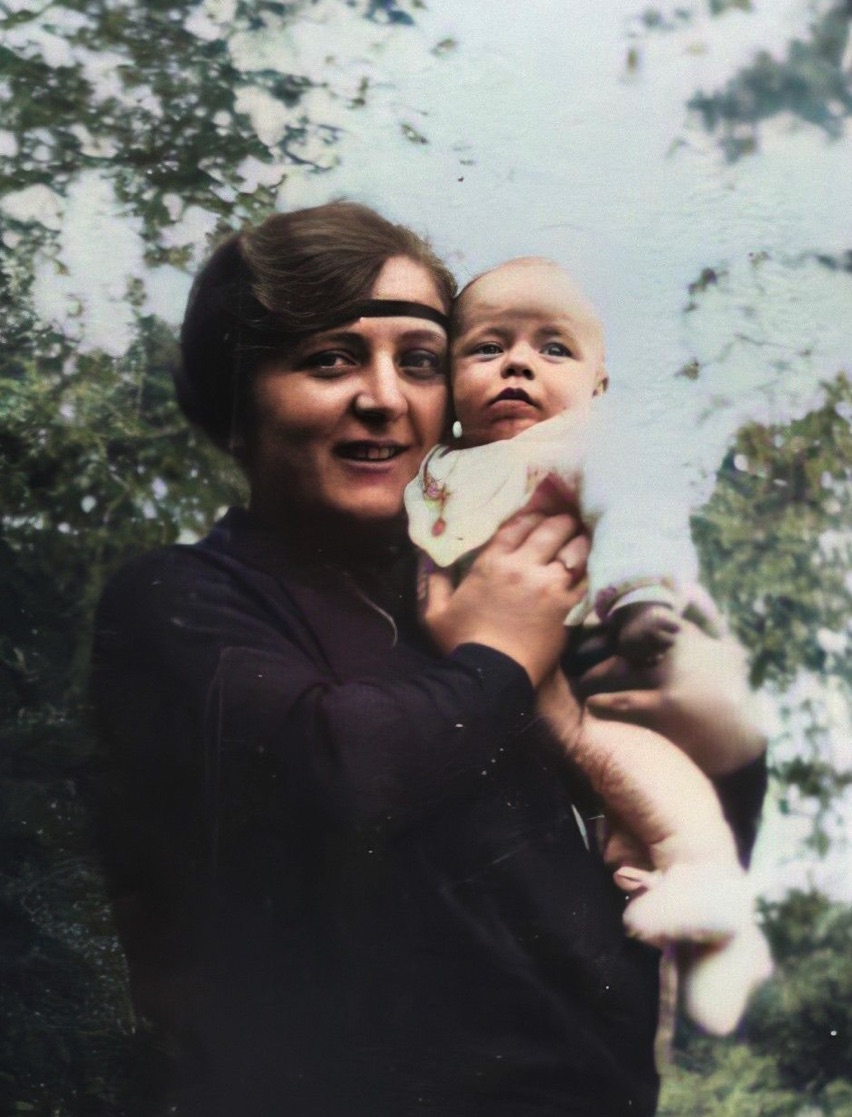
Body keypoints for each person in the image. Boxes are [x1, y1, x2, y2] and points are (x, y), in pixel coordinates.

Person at [91, 205, 766, 1117]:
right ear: (240, 398)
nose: (385, 397)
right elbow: (340, 777)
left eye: (418, 361)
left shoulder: (483, 582)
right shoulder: (182, 602)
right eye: (330, 359)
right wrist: (499, 653)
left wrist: (730, 750)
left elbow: (644, 866)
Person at [406, 257, 772, 1034]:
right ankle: (680, 938)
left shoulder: (578, 443)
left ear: (598, 385)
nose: (517, 364)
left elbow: (634, 507)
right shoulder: (436, 471)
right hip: (505, 665)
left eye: (553, 348)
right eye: (487, 347)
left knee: (632, 758)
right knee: (613, 859)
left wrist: (638, 593)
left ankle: (712, 887)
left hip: (607, 634)